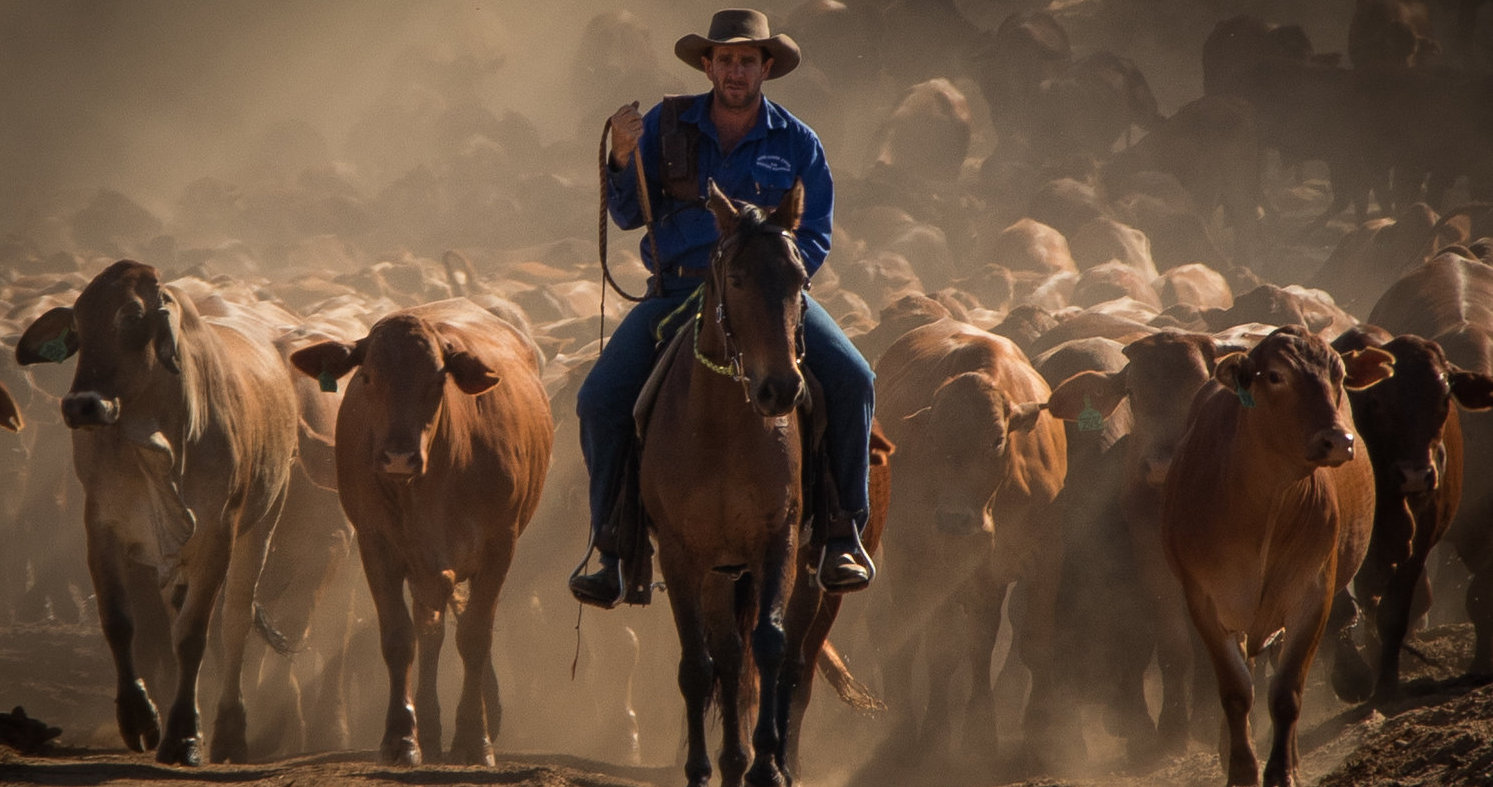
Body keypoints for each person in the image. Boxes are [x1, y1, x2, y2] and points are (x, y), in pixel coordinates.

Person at [569, 8, 876, 608]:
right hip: (680, 291)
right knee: (598, 399)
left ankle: (843, 532)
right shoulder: (665, 125)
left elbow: (813, 235)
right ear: (707, 65)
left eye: (747, 61)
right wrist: (619, 157)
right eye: (725, 60)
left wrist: (772, 287)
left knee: (855, 379)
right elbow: (631, 215)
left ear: (766, 68)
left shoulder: (797, 143)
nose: (735, 71)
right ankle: (612, 546)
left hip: (764, 299)